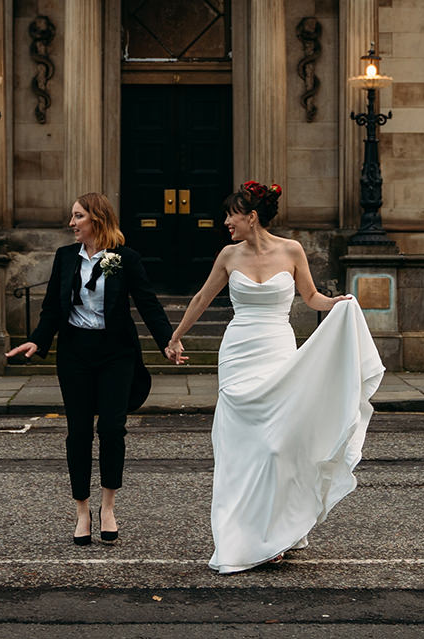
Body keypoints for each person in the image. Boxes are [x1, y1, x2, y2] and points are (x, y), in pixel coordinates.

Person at [165, 181, 385, 574]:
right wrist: (176, 336)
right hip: (238, 354)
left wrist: (337, 304)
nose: (226, 221)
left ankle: (279, 529)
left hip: (278, 351)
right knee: (241, 446)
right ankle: (244, 534)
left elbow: (312, 297)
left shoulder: (292, 250)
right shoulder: (228, 255)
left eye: (231, 214)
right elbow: (201, 298)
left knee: (278, 444)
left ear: (251, 217)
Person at [7, 193, 174, 546]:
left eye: (78, 216)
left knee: (112, 429)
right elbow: (52, 306)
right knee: (79, 432)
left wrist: (168, 342)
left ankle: (108, 507)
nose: (72, 223)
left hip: (116, 353)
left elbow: (147, 303)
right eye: (72, 216)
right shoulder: (66, 257)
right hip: (75, 354)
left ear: (96, 219)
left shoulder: (123, 259)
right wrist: (38, 340)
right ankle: (82, 510)